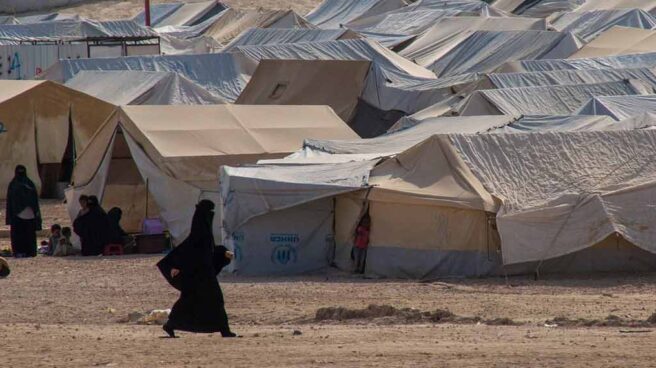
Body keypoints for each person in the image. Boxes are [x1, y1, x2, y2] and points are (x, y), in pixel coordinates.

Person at [157, 200, 236, 338]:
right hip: (198, 276)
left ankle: (223, 329)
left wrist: (222, 252)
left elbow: (207, 251)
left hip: (203, 274)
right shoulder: (198, 234)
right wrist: (177, 265)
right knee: (203, 301)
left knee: (198, 301)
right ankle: (172, 324)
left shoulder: (203, 233)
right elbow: (188, 251)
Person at [6, 165, 41, 258]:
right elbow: (11, 201)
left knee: (28, 235)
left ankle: (30, 251)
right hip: (18, 215)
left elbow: (34, 201)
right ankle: (20, 251)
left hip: (28, 214)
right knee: (20, 235)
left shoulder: (27, 184)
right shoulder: (15, 184)